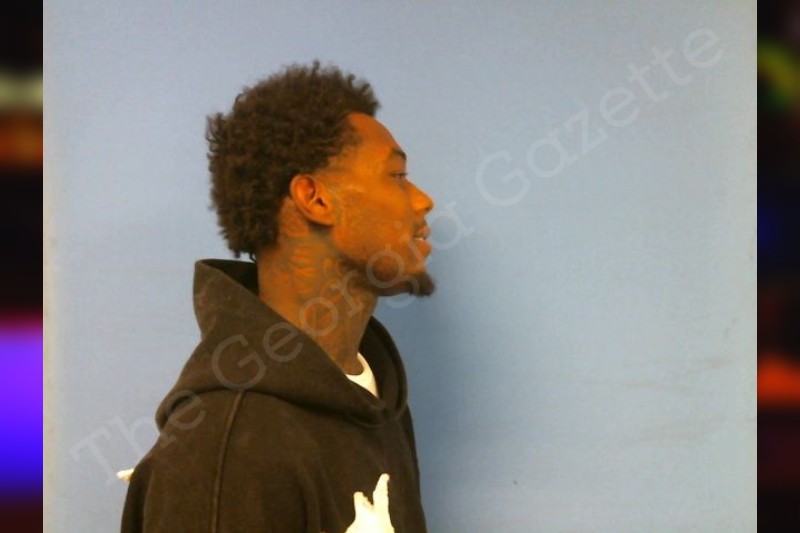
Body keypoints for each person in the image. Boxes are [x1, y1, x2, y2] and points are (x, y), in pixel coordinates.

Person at [120, 61, 436, 532]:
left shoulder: (376, 403)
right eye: (396, 175)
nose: (423, 200)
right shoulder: (224, 446)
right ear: (316, 198)